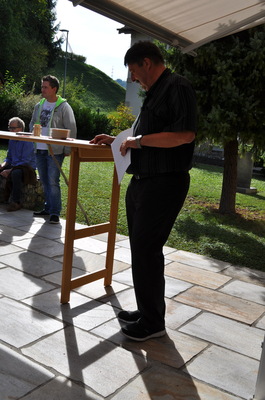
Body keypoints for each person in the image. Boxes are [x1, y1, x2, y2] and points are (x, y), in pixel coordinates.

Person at [90, 41, 197, 341]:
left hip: (165, 182)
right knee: (141, 248)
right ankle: (148, 310)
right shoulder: (154, 92)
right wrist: (118, 139)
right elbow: (146, 134)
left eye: (134, 71)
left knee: (147, 249)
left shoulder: (177, 86)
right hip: (143, 181)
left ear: (147, 63)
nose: (134, 78)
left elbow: (184, 135)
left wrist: (137, 142)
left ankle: (153, 323)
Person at [29, 75, 77, 224]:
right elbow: (32, 123)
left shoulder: (64, 106)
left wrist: (68, 147)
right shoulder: (39, 105)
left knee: (52, 180)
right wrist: (33, 136)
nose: (42, 89)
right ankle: (48, 208)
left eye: (45, 87)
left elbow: (71, 127)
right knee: (43, 180)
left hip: (55, 150)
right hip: (40, 149)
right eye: (42, 87)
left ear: (54, 89)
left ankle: (55, 212)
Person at [0, 117, 36, 212]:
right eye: (9, 128)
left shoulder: (27, 141)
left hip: (26, 167)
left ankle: (16, 202)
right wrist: (3, 165)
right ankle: (2, 197)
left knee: (16, 173)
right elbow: (9, 157)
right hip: (15, 164)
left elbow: (25, 161)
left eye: (13, 128)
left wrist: (10, 170)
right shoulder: (12, 139)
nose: (10, 130)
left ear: (20, 128)